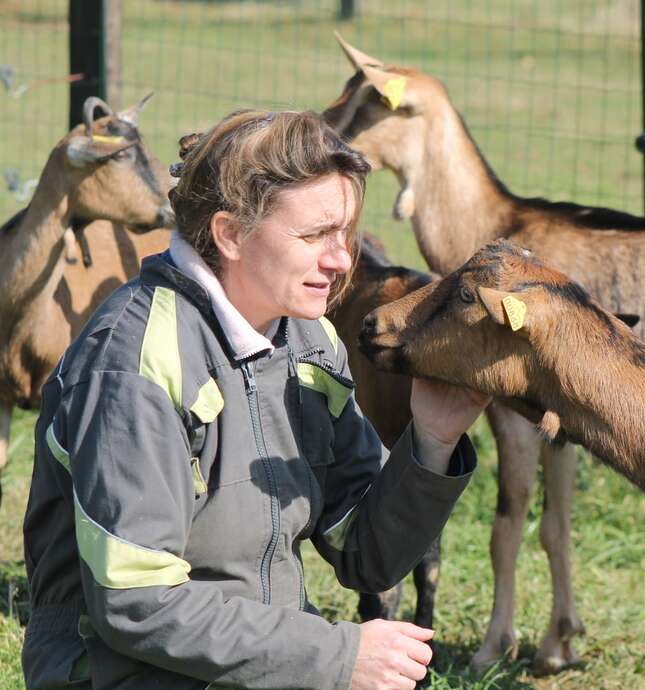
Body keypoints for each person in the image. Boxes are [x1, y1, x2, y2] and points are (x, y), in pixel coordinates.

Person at [22, 110, 490, 690]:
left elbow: (366, 553)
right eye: (314, 234)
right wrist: (334, 656)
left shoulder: (308, 339)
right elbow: (136, 604)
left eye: (343, 233)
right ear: (231, 234)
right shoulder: (134, 362)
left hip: (256, 664)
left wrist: (432, 442)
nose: (342, 258)